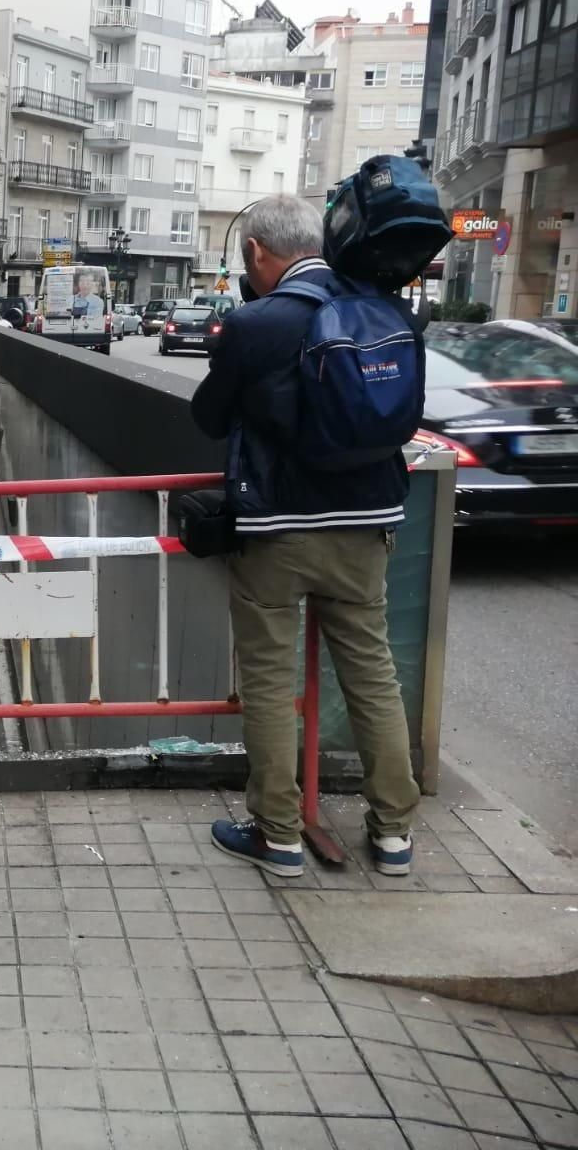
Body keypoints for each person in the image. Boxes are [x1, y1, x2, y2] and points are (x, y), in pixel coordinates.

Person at [191, 195, 420, 879]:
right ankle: (394, 836)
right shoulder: (382, 309)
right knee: (373, 676)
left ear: (259, 253)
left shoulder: (255, 323)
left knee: (268, 678)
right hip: (367, 523)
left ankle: (280, 838)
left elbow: (209, 417)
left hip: (277, 530)